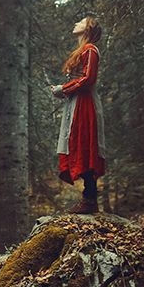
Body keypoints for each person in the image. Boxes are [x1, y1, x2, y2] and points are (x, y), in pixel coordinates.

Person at [50, 16, 106, 214]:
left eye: (80, 22)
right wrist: (63, 90)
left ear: (88, 28)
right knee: (77, 144)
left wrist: (63, 88)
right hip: (76, 103)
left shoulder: (90, 50)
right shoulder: (82, 51)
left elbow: (88, 79)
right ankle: (88, 197)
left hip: (85, 104)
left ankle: (90, 199)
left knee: (84, 143)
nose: (75, 24)